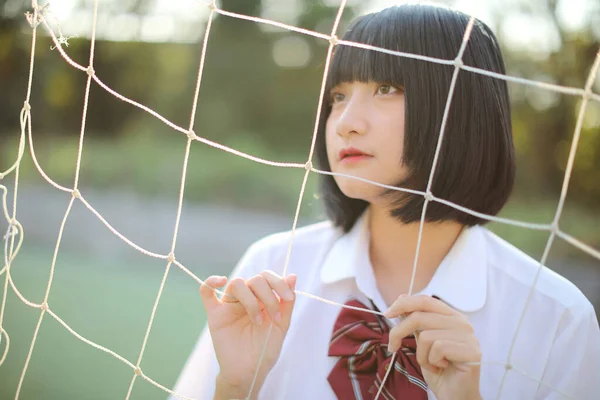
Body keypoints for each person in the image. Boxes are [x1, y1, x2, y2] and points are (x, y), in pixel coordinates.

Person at [170, 4, 600, 400]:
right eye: (338, 96)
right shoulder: (271, 272)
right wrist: (235, 387)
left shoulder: (557, 319)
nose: (346, 124)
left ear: (461, 108)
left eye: (387, 87)